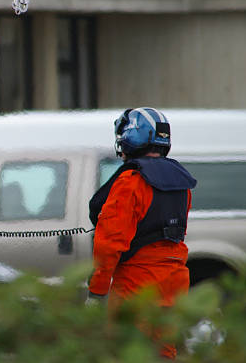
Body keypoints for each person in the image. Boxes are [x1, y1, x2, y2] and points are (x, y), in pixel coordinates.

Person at [87, 108, 197, 359]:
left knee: (128, 351)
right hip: (175, 282)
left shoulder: (131, 181)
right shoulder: (181, 183)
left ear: (131, 137)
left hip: (137, 285)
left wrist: (97, 291)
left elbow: (109, 244)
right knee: (165, 352)